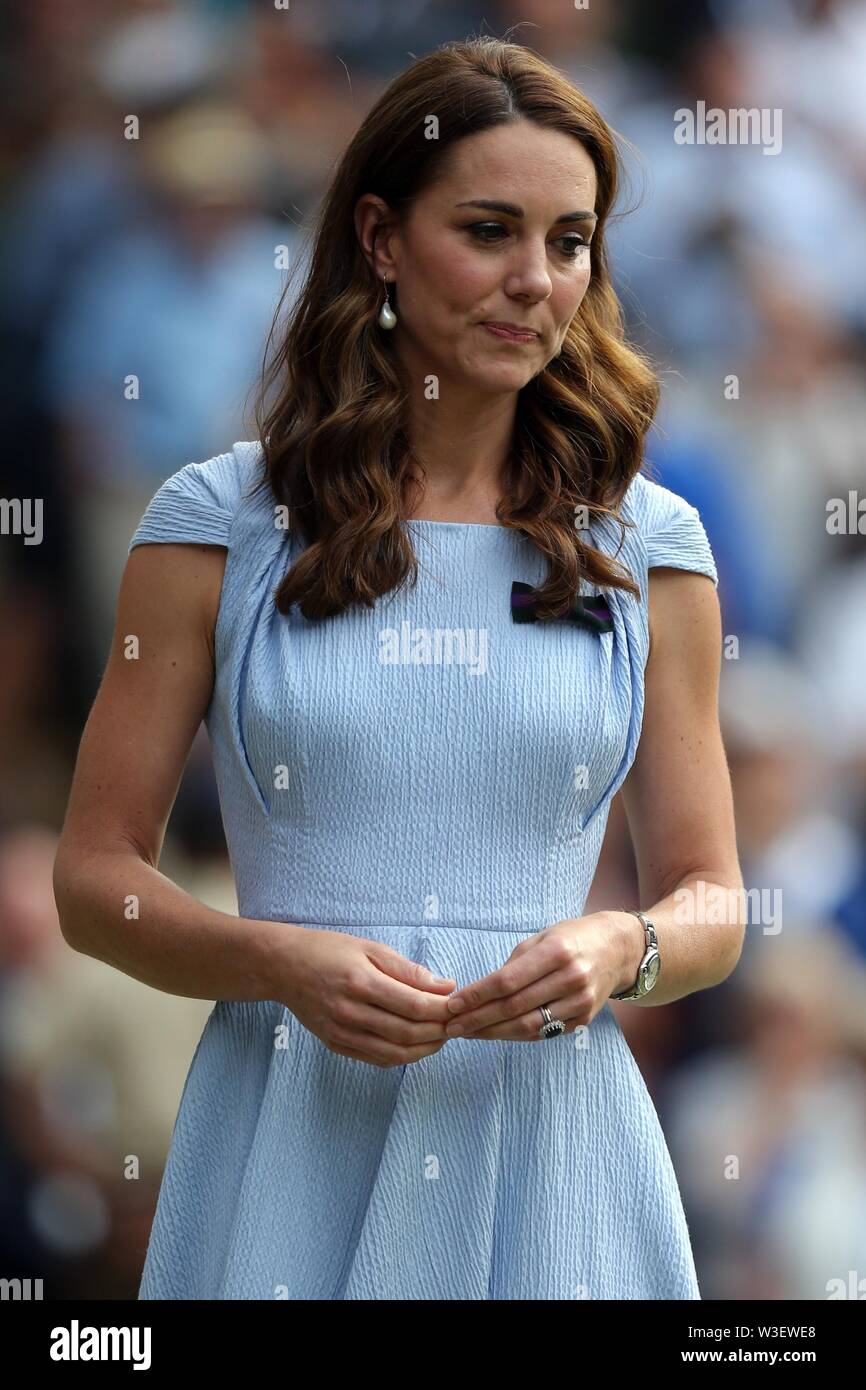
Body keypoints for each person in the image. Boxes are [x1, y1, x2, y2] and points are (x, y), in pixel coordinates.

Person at [52, 37, 745, 1300]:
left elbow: (713, 900)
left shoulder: (651, 545)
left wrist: (618, 945)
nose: (534, 280)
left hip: (553, 1143)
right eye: (488, 230)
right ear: (378, 238)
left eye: (569, 240)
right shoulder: (213, 526)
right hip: (284, 1136)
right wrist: (276, 959)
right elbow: (96, 881)